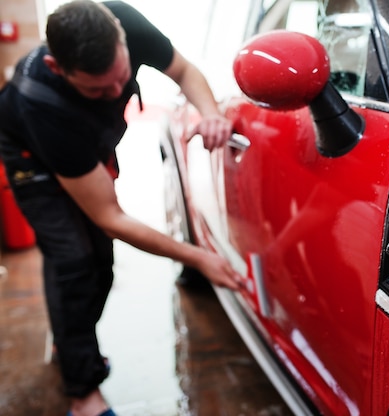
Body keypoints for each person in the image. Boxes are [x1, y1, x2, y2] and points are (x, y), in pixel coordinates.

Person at [0, 1, 242, 415]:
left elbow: (182, 71)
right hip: (31, 158)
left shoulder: (124, 22)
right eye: (97, 90)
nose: (116, 95)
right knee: (74, 261)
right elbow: (110, 217)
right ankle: (82, 391)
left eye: (122, 79)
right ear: (60, 70)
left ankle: (69, 339)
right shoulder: (41, 102)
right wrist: (199, 257)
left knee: (101, 265)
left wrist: (211, 113)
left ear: (120, 37)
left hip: (83, 149)